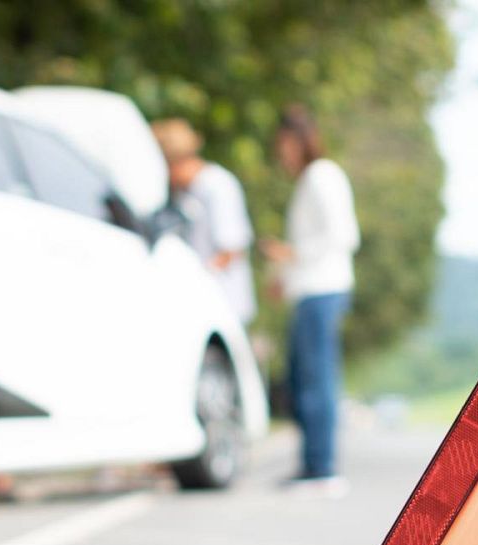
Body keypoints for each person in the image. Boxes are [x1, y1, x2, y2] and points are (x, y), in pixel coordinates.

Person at [260, 104, 360, 495]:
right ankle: (311, 465)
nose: (280, 155)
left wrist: (291, 256)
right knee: (303, 379)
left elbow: (342, 235)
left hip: (323, 289)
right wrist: (285, 275)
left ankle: (322, 468)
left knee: (317, 379)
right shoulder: (309, 181)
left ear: (296, 140)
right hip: (307, 289)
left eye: (282, 145)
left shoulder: (323, 176)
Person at [150, 118, 257, 325]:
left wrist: (197, 279)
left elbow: (231, 248)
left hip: (224, 304)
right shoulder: (185, 192)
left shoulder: (217, 185)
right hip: (201, 305)